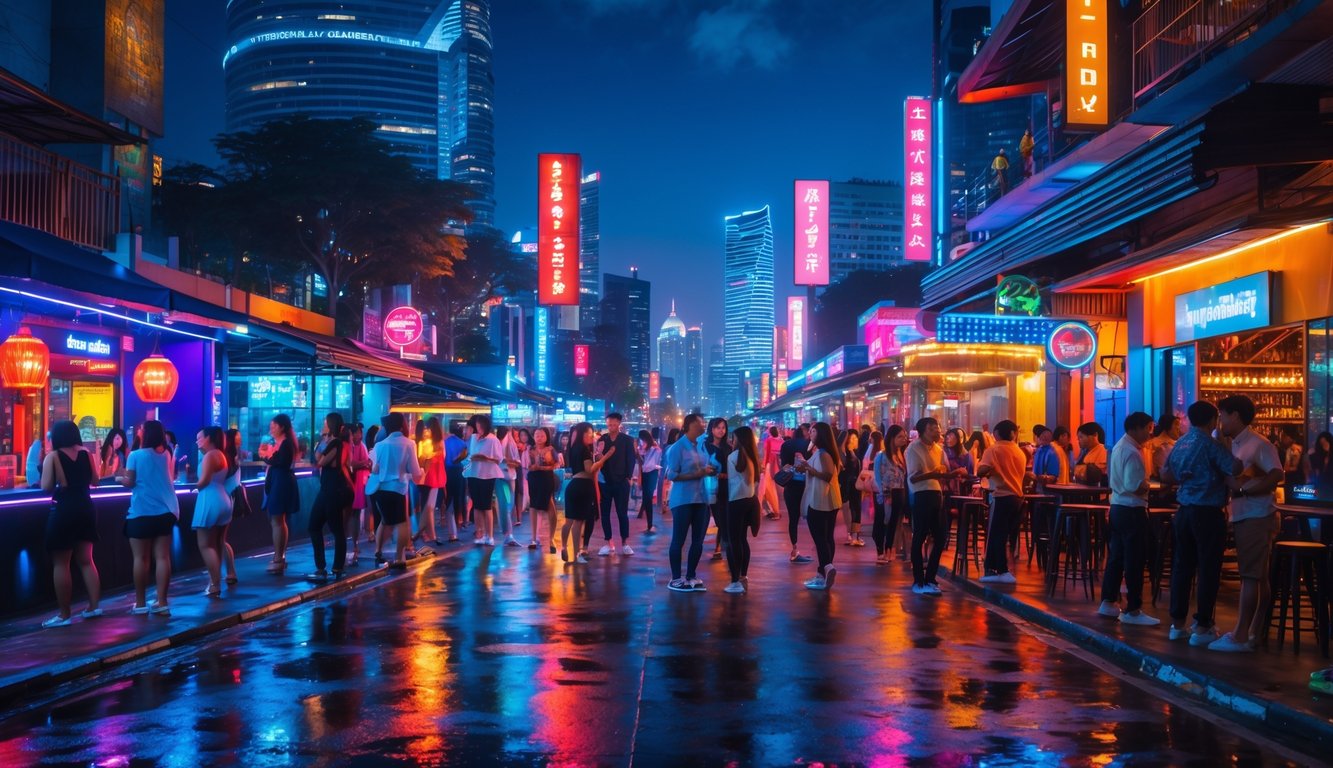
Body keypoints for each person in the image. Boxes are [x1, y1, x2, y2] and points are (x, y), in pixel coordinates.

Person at [1161, 401, 1242, 646]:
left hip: (1184, 510)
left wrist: (1187, 478)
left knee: (1182, 567)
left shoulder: (1180, 443)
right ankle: (1202, 626)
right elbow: (1234, 468)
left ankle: (1177, 625)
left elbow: (1165, 473)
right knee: (1208, 569)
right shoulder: (1211, 444)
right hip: (1207, 512)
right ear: (1212, 420)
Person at [1213, 395, 1283, 652]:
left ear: (1235, 416)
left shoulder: (1258, 443)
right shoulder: (1236, 443)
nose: (1220, 420)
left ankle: (1240, 636)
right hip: (1247, 513)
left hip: (1256, 514)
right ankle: (1254, 630)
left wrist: (1243, 490)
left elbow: (1277, 473)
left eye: (1222, 415)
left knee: (1250, 576)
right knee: (1258, 576)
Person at [1097, 412, 1159, 625]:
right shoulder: (1132, 452)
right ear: (1136, 428)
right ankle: (1133, 609)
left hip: (1117, 507)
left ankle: (1108, 601)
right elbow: (1135, 485)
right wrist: (1148, 485)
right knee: (1134, 559)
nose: (1150, 434)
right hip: (1132, 509)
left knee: (1117, 557)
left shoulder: (1119, 447)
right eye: (1148, 429)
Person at [39, 420, 102, 627]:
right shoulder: (86, 454)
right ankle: (94, 606)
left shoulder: (53, 456)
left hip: (64, 510)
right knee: (87, 560)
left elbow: (46, 486)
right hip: (86, 507)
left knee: (61, 563)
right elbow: (95, 481)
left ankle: (64, 615)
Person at [117, 420, 179, 615]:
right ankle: (162, 602)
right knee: (162, 557)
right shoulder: (166, 454)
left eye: (141, 429)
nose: (138, 431)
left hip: (141, 512)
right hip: (165, 512)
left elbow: (130, 482)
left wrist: (119, 478)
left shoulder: (135, 455)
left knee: (140, 558)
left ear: (146, 433)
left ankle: (141, 603)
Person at [664, 414, 713, 592]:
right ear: (690, 424)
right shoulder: (677, 448)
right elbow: (671, 475)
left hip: (701, 498)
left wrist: (708, 470)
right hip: (683, 500)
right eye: (701, 422)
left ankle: (691, 576)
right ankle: (676, 578)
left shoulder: (699, 445)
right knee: (679, 539)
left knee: (698, 540)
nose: (703, 425)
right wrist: (697, 474)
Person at [977, 420, 1030, 585]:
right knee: (1004, 534)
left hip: (1001, 496)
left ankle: (1001, 570)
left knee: (996, 534)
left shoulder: (993, 450)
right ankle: (997, 569)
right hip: (1017, 498)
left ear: (996, 434)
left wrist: (987, 471)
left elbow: (981, 470)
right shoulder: (1019, 451)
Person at [369, 412, 424, 569]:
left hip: (381, 489)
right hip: (398, 489)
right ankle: (399, 557)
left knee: (385, 521)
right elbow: (414, 469)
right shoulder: (409, 444)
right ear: (402, 425)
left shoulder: (380, 445)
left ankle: (378, 551)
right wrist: (421, 471)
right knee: (401, 523)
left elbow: (374, 470)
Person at [907, 417, 951, 595]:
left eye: (938, 427)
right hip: (921, 495)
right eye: (933, 428)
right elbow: (913, 478)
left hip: (937, 494)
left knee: (940, 537)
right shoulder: (913, 449)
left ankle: (931, 578)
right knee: (919, 536)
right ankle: (918, 581)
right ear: (923, 431)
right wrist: (933, 474)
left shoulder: (938, 449)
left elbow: (943, 470)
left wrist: (952, 474)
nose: (938, 431)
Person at [797, 422, 842, 591]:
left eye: (814, 431)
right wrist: (805, 467)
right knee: (827, 537)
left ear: (821, 434)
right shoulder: (822, 452)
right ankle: (823, 572)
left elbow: (827, 475)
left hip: (820, 500)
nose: (810, 433)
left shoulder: (823, 453)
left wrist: (808, 468)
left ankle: (827, 568)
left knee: (820, 538)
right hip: (828, 500)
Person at [562, 422, 615, 565]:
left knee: (569, 521)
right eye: (589, 433)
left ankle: (564, 547)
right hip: (583, 486)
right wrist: (605, 457)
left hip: (573, 485)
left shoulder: (572, 448)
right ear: (582, 433)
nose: (592, 436)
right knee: (578, 522)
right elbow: (590, 469)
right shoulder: (584, 449)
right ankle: (576, 555)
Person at [308, 413, 353, 581]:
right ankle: (324, 567)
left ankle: (336, 567)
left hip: (334, 490)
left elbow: (321, 461)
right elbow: (318, 458)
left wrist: (322, 443)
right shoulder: (330, 442)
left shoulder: (336, 443)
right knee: (315, 525)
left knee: (336, 529)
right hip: (327, 489)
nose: (323, 425)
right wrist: (322, 441)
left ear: (331, 424)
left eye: (325, 422)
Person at [193, 426, 234, 596]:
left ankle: (215, 583)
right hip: (223, 498)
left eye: (199, 438)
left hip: (209, 499)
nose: (197, 441)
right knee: (218, 542)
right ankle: (217, 579)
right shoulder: (220, 455)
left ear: (208, 438)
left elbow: (204, 481)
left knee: (205, 544)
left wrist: (191, 487)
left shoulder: (210, 456)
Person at [724, 426, 760, 594]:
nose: (732, 440)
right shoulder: (753, 457)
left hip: (736, 501)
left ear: (739, 439)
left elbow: (731, 481)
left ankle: (735, 580)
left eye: (734, 438)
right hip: (750, 500)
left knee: (734, 542)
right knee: (743, 540)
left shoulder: (733, 457)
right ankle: (743, 576)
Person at [262, 414, 300, 573]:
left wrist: (266, 457)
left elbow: (281, 462)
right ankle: (279, 555)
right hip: (278, 482)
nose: (271, 429)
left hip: (282, 483)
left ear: (282, 427)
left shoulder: (286, 444)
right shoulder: (281, 444)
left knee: (278, 518)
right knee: (277, 519)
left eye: (274, 426)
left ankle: (279, 557)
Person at [596, 413, 638, 556]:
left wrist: (628, 477)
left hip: (622, 482)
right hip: (605, 481)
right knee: (605, 513)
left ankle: (625, 543)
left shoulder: (627, 440)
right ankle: (609, 542)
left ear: (619, 424)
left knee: (622, 513)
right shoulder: (603, 439)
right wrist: (599, 454)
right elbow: (598, 458)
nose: (611, 427)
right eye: (609, 424)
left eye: (614, 424)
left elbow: (631, 460)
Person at [465, 414, 504, 547]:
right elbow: (470, 454)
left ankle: (490, 535)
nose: (478, 428)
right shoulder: (473, 438)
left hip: (487, 475)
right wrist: (472, 458)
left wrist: (485, 458)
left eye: (479, 425)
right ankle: (480, 533)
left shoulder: (493, 440)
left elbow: (499, 459)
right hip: (474, 474)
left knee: (486, 506)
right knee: (477, 506)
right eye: (476, 425)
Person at [873, 425, 909, 564]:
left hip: (900, 491)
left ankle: (889, 549)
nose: (903, 439)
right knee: (883, 521)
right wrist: (884, 493)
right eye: (900, 437)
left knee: (894, 522)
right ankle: (881, 550)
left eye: (904, 437)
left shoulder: (901, 455)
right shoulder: (881, 456)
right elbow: (878, 477)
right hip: (886, 492)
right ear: (892, 438)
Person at [779, 423, 813, 564]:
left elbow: (783, 466)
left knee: (793, 519)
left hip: (791, 486)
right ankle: (818, 548)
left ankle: (794, 550)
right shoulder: (809, 445)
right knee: (812, 517)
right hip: (806, 486)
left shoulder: (786, 445)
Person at [702, 417, 731, 562]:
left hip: (725, 487)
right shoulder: (704, 446)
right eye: (718, 427)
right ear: (712, 429)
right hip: (708, 487)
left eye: (723, 428)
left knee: (723, 518)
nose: (721, 430)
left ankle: (718, 547)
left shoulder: (728, 448)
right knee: (708, 517)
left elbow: (732, 469)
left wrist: (724, 475)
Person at [526, 427, 559, 551]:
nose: (539, 438)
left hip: (546, 478)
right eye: (537, 435)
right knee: (533, 505)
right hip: (534, 478)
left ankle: (551, 538)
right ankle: (533, 538)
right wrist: (532, 466)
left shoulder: (551, 449)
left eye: (542, 435)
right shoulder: (530, 449)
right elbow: (528, 465)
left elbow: (557, 463)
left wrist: (542, 467)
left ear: (546, 437)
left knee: (550, 505)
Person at [417, 417, 446, 547]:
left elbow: (423, 460)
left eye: (427, 428)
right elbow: (442, 458)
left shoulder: (428, 443)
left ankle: (426, 533)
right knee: (429, 507)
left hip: (430, 476)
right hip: (432, 476)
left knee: (428, 506)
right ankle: (429, 534)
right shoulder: (437, 443)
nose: (426, 431)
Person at [347, 423, 373, 563]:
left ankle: (355, 544)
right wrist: (363, 463)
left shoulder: (361, 446)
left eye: (360, 432)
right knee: (351, 514)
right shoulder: (348, 446)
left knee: (355, 514)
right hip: (350, 482)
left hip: (357, 483)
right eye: (357, 432)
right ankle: (351, 545)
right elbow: (352, 463)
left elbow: (365, 463)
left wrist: (362, 463)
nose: (359, 435)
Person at [221, 429, 242, 584]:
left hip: (225, 498)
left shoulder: (225, 457)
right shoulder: (233, 456)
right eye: (237, 436)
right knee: (220, 539)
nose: (240, 439)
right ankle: (229, 572)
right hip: (230, 498)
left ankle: (229, 572)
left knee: (219, 540)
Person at [443, 422, 469, 539]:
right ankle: (460, 520)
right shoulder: (462, 443)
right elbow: (466, 459)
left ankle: (449, 518)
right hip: (459, 471)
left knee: (449, 496)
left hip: (447, 471)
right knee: (460, 496)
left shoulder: (445, 442)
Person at [496, 426, 520, 546]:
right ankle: (508, 534)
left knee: (507, 505)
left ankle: (508, 533)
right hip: (505, 478)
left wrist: (507, 461)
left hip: (506, 478)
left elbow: (517, 463)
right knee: (507, 505)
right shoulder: (505, 444)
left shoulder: (507, 444)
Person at [839, 429, 863, 547]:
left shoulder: (853, 453)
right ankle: (852, 534)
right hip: (849, 486)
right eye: (853, 438)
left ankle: (856, 535)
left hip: (855, 486)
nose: (855, 440)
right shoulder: (845, 454)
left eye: (856, 438)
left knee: (856, 509)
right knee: (851, 510)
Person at [638, 430, 662, 535]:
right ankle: (649, 524)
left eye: (641, 438)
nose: (641, 441)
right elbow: (641, 460)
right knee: (646, 498)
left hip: (652, 473)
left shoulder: (654, 448)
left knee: (648, 498)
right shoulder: (643, 447)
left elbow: (658, 459)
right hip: (646, 473)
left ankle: (650, 524)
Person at [1147, 414, 1182, 481]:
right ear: (1167, 426)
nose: (1178, 428)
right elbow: (1166, 472)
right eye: (1176, 424)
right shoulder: (1160, 446)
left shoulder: (1173, 444)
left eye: (1179, 425)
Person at [759, 426, 783, 520]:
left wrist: (763, 467)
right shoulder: (781, 441)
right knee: (769, 489)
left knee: (768, 489)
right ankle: (769, 510)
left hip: (769, 466)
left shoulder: (768, 440)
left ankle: (774, 511)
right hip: (777, 467)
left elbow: (766, 454)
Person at [944, 428, 975, 496]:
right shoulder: (942, 452)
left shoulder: (966, 455)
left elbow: (970, 475)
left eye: (951, 436)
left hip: (960, 490)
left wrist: (964, 476)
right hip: (945, 489)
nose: (948, 439)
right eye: (947, 436)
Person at [1304, 431, 1333, 499]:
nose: (1324, 445)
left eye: (1325, 443)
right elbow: (1313, 473)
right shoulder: (1316, 456)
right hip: (1320, 487)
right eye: (1321, 443)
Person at [1279, 428, 1304, 494]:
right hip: (1301, 481)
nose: (1282, 439)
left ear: (1289, 437)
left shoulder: (1290, 450)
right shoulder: (1303, 448)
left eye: (1283, 436)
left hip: (1291, 480)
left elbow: (1286, 468)